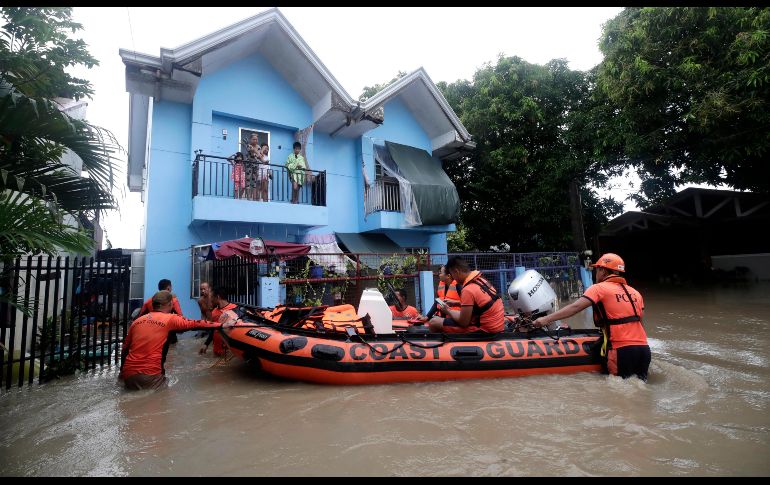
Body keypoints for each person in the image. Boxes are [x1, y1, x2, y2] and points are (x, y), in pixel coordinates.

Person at [532, 253, 651, 381]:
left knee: (620, 393)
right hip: (644, 349)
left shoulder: (598, 288)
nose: (596, 273)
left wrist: (545, 319)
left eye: (597, 270)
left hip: (621, 349)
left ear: (603, 271)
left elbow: (575, 308)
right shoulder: (635, 293)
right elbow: (640, 323)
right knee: (640, 385)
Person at [119, 291, 231, 390]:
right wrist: (222, 325)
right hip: (151, 375)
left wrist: (122, 373)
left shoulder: (137, 322)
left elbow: (124, 349)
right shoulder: (170, 318)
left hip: (128, 376)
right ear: (169, 304)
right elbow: (195, 323)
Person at [428, 256, 505, 333]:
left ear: (456, 272)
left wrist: (447, 310)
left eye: (452, 275)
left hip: (485, 329)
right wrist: (456, 303)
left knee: (433, 322)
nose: (453, 279)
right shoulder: (481, 280)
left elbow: (464, 322)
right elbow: (480, 304)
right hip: (496, 324)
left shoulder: (468, 290)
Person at [138, 279, 183, 344]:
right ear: (168, 288)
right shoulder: (173, 300)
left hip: (152, 335)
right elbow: (180, 317)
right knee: (171, 351)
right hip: (169, 335)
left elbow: (140, 318)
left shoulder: (148, 301)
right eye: (171, 287)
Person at [200, 286, 238, 356]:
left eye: (212, 298)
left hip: (229, 354)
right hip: (216, 351)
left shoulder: (235, 309)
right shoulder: (214, 312)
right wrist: (206, 344)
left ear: (217, 297)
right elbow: (213, 329)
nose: (210, 300)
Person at [245, 133, 262, 200]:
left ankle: (254, 197)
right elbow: (251, 152)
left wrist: (257, 154)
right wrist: (256, 153)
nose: (255, 140)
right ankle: (248, 197)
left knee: (254, 181)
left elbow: (258, 156)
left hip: (256, 165)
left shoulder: (259, 147)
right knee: (248, 180)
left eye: (256, 139)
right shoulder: (248, 145)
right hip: (249, 164)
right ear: (250, 140)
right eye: (254, 139)